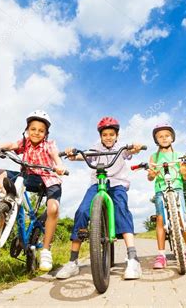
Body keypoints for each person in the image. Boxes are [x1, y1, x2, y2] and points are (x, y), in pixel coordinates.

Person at [56, 117, 144, 280]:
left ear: (117, 135)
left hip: (117, 184)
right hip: (98, 183)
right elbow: (84, 156)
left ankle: (133, 259)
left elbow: (131, 151)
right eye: (105, 134)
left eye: (112, 134)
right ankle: (73, 261)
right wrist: (72, 154)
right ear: (100, 136)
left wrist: (136, 147)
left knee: (121, 210)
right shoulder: (96, 148)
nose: (108, 137)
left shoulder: (121, 147)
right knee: (82, 211)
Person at [0, 110, 66, 271]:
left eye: (41, 130)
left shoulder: (49, 145)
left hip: (48, 179)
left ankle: (46, 250)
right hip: (27, 176)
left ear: (46, 133)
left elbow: (55, 155)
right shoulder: (25, 142)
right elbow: (12, 145)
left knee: (53, 209)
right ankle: (9, 200)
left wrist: (59, 165)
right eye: (33, 129)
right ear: (27, 130)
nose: (36, 133)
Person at [147, 123, 186, 268]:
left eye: (167, 135)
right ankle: (161, 255)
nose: (164, 138)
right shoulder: (154, 156)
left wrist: (184, 171)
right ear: (156, 140)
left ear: (172, 138)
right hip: (160, 189)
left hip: (176, 188)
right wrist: (152, 173)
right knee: (160, 220)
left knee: (182, 218)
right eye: (160, 136)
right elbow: (150, 177)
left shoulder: (178, 156)